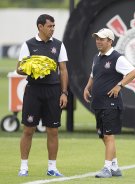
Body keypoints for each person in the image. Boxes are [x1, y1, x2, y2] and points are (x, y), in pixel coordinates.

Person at [17, 14, 68, 177]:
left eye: (54, 26)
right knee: (28, 129)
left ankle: (52, 167)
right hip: (33, 90)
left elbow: (64, 70)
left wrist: (64, 92)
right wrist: (33, 66)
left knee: (53, 130)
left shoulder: (59, 45)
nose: (52, 29)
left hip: (53, 91)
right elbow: (19, 68)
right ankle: (23, 166)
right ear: (40, 27)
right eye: (49, 26)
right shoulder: (28, 45)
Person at [83, 28, 135, 178]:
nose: (98, 41)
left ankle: (107, 168)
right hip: (99, 103)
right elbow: (93, 75)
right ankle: (115, 167)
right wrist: (87, 87)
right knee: (103, 135)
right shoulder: (97, 57)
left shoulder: (117, 57)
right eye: (97, 38)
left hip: (111, 104)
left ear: (110, 41)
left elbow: (133, 72)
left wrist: (119, 85)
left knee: (108, 135)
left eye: (102, 39)